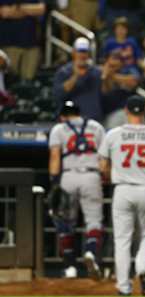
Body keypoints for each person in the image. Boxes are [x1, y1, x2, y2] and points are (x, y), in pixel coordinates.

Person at [98, 95, 145, 296]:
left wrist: (110, 172)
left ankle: (123, 287)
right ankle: (143, 268)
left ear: (126, 111)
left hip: (122, 189)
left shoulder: (113, 134)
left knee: (122, 240)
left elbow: (102, 165)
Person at [48, 100, 105, 280]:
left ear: (63, 115)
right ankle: (90, 254)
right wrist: (104, 177)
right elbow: (104, 157)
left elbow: (55, 156)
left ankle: (70, 267)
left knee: (65, 222)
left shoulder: (59, 128)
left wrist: (54, 182)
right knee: (94, 220)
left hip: (68, 176)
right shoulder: (96, 127)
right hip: (91, 175)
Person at [53, 37, 104, 122]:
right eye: (79, 51)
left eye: (84, 52)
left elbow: (104, 95)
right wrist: (75, 76)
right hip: (70, 121)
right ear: (73, 53)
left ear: (89, 54)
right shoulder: (64, 72)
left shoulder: (96, 72)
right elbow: (59, 95)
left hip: (92, 120)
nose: (82, 55)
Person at [0, 0, 46, 80]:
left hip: (32, 44)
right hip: (9, 43)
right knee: (9, 79)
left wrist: (18, 9)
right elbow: (4, 12)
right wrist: (30, 11)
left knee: (28, 81)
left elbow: (41, 9)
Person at [101, 49, 141, 129]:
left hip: (126, 112)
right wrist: (105, 78)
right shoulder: (104, 74)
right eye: (113, 59)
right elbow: (105, 91)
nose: (115, 62)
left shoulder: (128, 70)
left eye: (117, 59)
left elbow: (133, 81)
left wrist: (111, 75)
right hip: (109, 113)